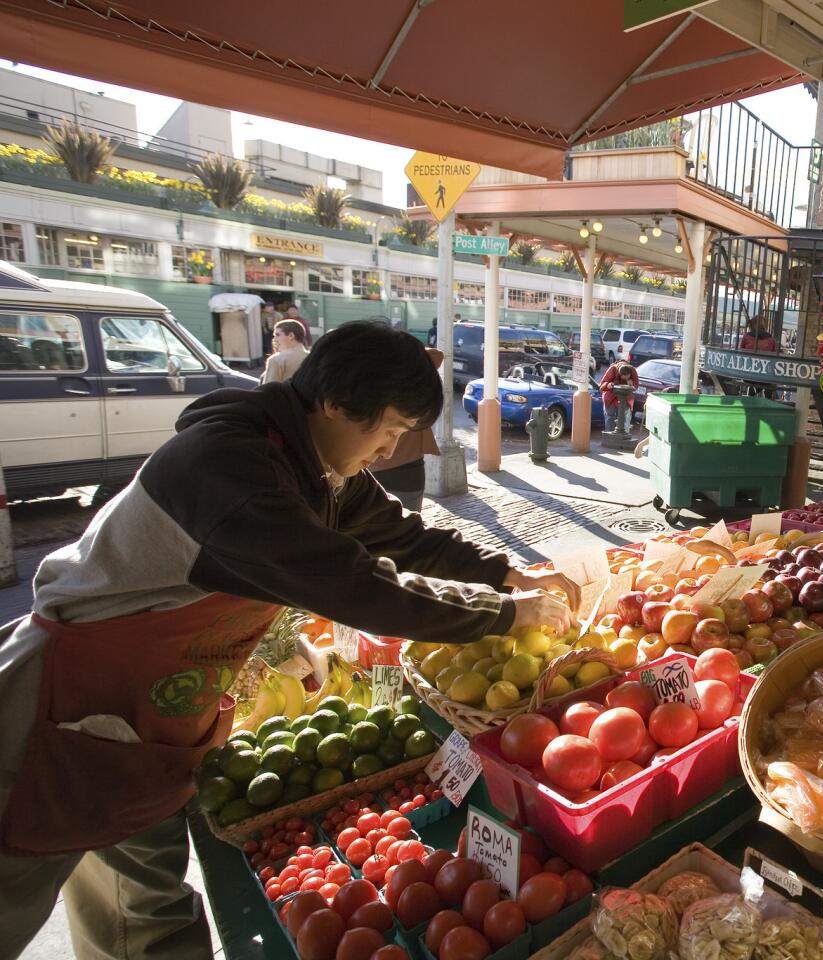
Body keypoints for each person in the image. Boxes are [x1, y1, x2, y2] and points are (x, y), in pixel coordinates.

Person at [0, 320, 578, 959]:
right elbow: (358, 587)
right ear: (333, 404)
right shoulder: (230, 468)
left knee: (145, 915)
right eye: (386, 430)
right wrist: (504, 613)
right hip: (56, 714)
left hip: (153, 725)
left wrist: (505, 570)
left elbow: (401, 535)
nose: (388, 452)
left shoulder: (313, 462)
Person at [371, 347, 444, 512]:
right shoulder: (371, 392)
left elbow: (437, 355)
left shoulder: (410, 391)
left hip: (404, 472)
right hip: (388, 472)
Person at [260, 318, 308, 384]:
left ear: (291, 336)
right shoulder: (313, 357)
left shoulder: (276, 360)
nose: (275, 339)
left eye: (277, 335)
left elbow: (269, 391)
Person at [600, 361, 639, 434]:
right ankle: (609, 436)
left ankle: (624, 436)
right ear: (619, 374)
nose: (625, 378)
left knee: (625, 418)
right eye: (623, 376)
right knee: (610, 417)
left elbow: (636, 385)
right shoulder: (612, 369)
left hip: (626, 398)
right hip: (610, 397)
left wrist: (632, 384)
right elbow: (602, 385)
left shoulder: (633, 370)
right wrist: (608, 385)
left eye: (627, 376)